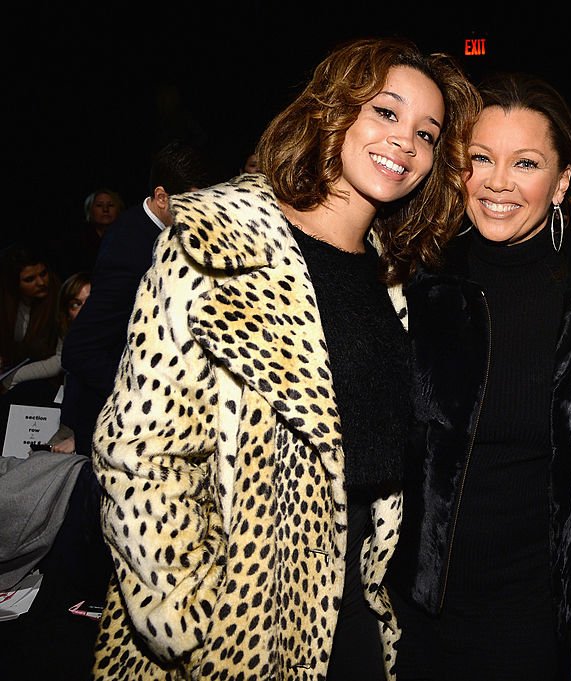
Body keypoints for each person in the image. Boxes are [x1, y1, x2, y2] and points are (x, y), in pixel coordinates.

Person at [88, 37, 480, 681]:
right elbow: (140, 450)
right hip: (238, 622)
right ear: (334, 111)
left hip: (356, 602)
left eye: (428, 134)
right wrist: (187, 619)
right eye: (385, 112)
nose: (405, 142)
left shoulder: (394, 278)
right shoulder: (220, 240)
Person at [387, 72, 571, 681]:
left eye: (525, 163)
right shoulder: (414, 279)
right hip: (413, 609)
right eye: (480, 159)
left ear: (562, 181)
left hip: (539, 618)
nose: (497, 182)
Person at [59, 140, 213, 459]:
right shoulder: (129, 250)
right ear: (161, 197)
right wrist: (151, 394)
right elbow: (80, 350)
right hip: (114, 426)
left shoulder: (162, 231)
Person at [1, 270, 90, 395]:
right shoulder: (68, 331)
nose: (41, 282)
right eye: (76, 304)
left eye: (91, 301)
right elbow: (60, 359)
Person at [0, 245, 61, 374]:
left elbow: (61, 359)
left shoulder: (59, 297)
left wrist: (13, 379)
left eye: (43, 274)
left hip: (44, 378)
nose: (41, 282)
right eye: (30, 279)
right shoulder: (6, 301)